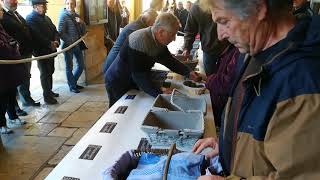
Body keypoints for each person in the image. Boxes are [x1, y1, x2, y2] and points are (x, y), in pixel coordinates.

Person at [193, 0, 320, 179]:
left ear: (259, 9)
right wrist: (227, 147)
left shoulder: (304, 78)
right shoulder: (253, 52)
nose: (220, 35)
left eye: (224, 22)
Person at [104, 12, 201, 107]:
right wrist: (159, 92)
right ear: (161, 32)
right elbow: (139, 76)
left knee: (134, 108)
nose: (174, 39)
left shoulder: (157, 40)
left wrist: (188, 72)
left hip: (132, 80)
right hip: (117, 81)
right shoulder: (139, 40)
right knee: (118, 113)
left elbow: (169, 61)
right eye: (172, 35)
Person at [0, 0, 40, 108]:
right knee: (17, 80)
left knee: (26, 77)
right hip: (15, 54)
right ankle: (16, 108)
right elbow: (6, 36)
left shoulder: (16, 13)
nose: (15, 1)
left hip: (26, 51)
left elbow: (24, 29)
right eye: (12, 0)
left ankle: (27, 99)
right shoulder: (3, 16)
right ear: (4, 1)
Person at [0, 3, 28, 133]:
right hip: (2, 70)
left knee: (12, 94)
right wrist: (11, 46)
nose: (1, 12)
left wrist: (13, 44)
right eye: (0, 10)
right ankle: (1, 124)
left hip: (10, 68)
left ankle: (13, 117)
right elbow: (2, 47)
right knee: (2, 99)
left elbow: (10, 39)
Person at [26, 0, 60, 105]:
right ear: (36, 6)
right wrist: (50, 43)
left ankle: (49, 91)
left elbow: (55, 30)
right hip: (41, 51)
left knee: (51, 71)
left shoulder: (46, 17)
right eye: (43, 5)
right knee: (45, 73)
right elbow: (37, 35)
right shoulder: (30, 18)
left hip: (51, 50)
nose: (45, 7)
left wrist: (56, 41)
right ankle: (47, 97)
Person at [183, 1, 228, 76]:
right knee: (212, 78)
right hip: (211, 49)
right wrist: (186, 48)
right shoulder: (196, 7)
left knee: (226, 78)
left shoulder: (224, 3)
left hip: (226, 48)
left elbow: (190, 30)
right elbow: (190, 30)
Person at [204, 45, 239, 127]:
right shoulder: (230, 51)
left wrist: (209, 79)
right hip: (220, 104)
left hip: (225, 107)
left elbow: (228, 82)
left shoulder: (237, 52)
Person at [58, 0, 86, 93]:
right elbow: (61, 32)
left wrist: (82, 22)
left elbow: (83, 32)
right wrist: (70, 41)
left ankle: (73, 82)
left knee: (81, 65)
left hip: (77, 45)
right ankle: (72, 86)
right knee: (69, 67)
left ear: (75, 5)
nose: (70, 5)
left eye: (72, 4)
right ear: (65, 5)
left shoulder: (77, 15)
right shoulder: (63, 16)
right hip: (68, 46)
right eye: (68, 3)